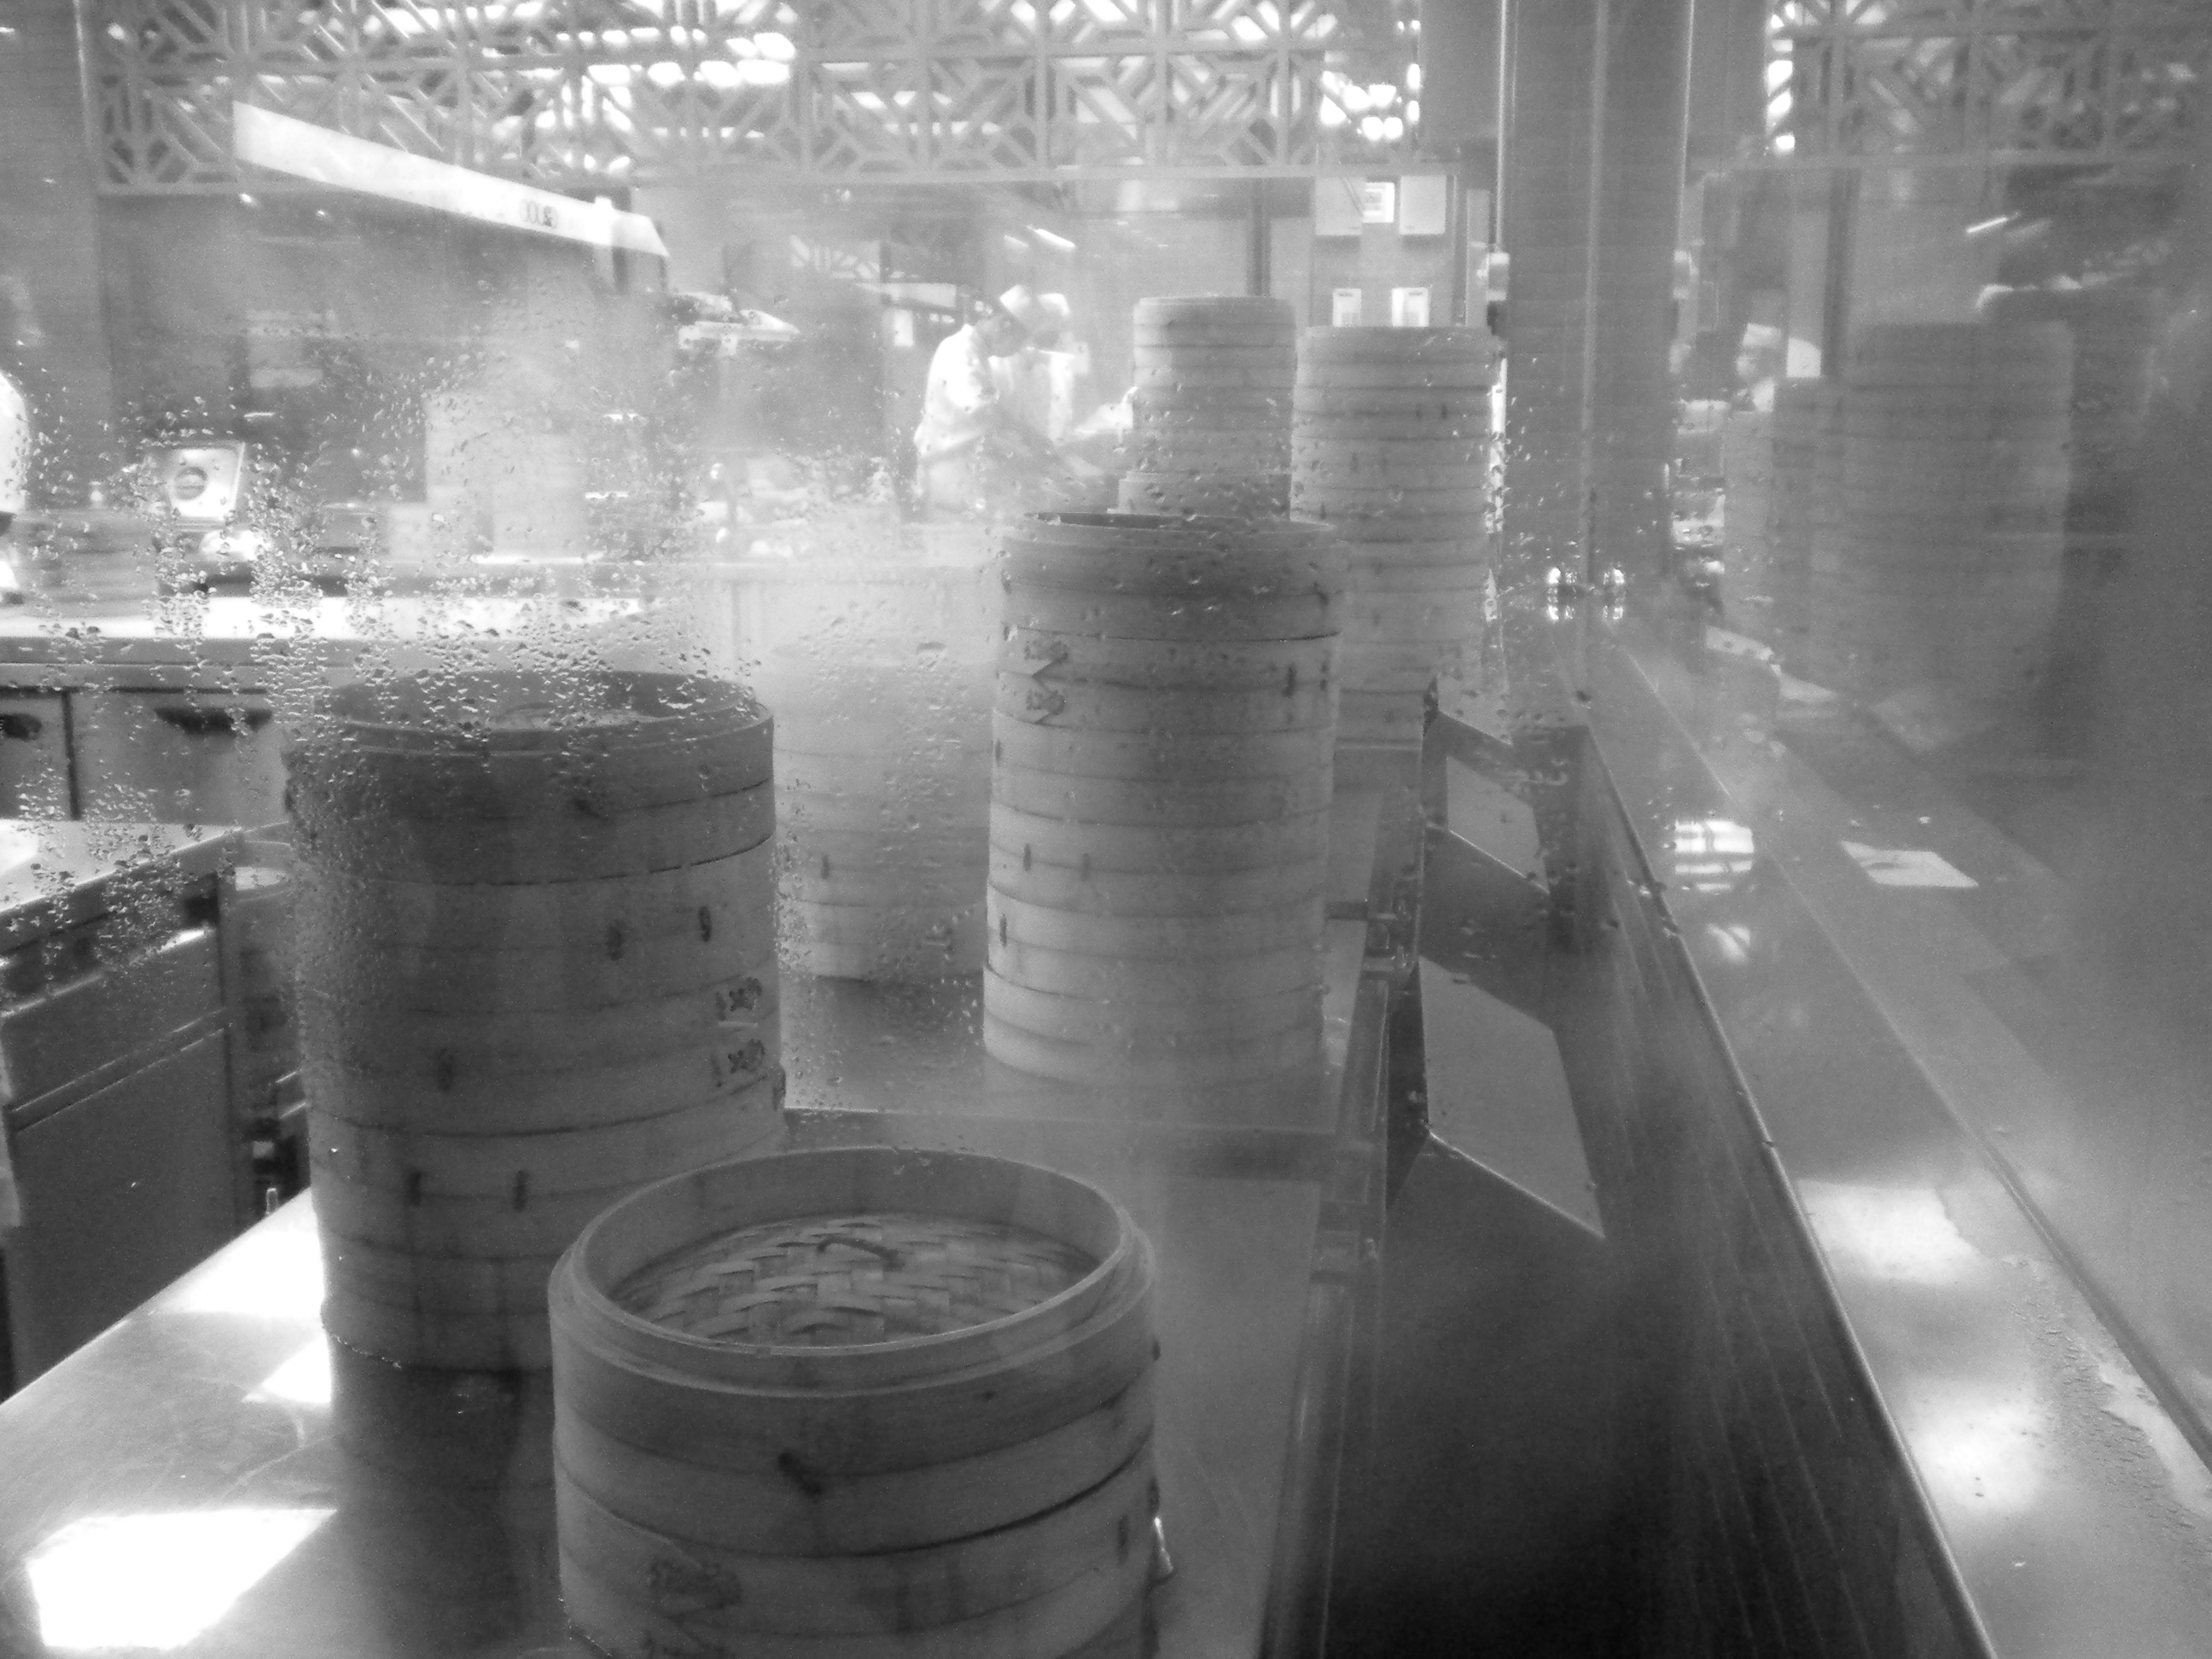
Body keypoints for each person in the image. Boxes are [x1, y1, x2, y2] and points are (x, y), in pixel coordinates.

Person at [911, 297, 1034, 517]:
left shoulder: (977, 354)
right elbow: (980, 409)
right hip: (948, 475)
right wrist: (1028, 437)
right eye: (1018, 343)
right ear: (1004, 324)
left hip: (962, 475)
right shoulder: (958, 350)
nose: (1015, 350)